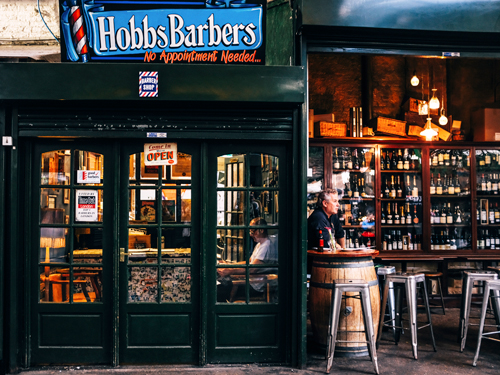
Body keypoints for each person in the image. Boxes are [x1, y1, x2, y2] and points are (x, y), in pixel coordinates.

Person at [217, 217, 278, 302]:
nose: (250, 234)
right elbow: (249, 261)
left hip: (254, 287)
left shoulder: (266, 246)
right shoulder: (260, 244)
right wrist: (228, 264)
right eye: (250, 231)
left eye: (253, 231)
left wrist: (230, 271)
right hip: (250, 281)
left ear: (261, 230)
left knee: (222, 288)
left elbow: (252, 269)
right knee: (222, 283)